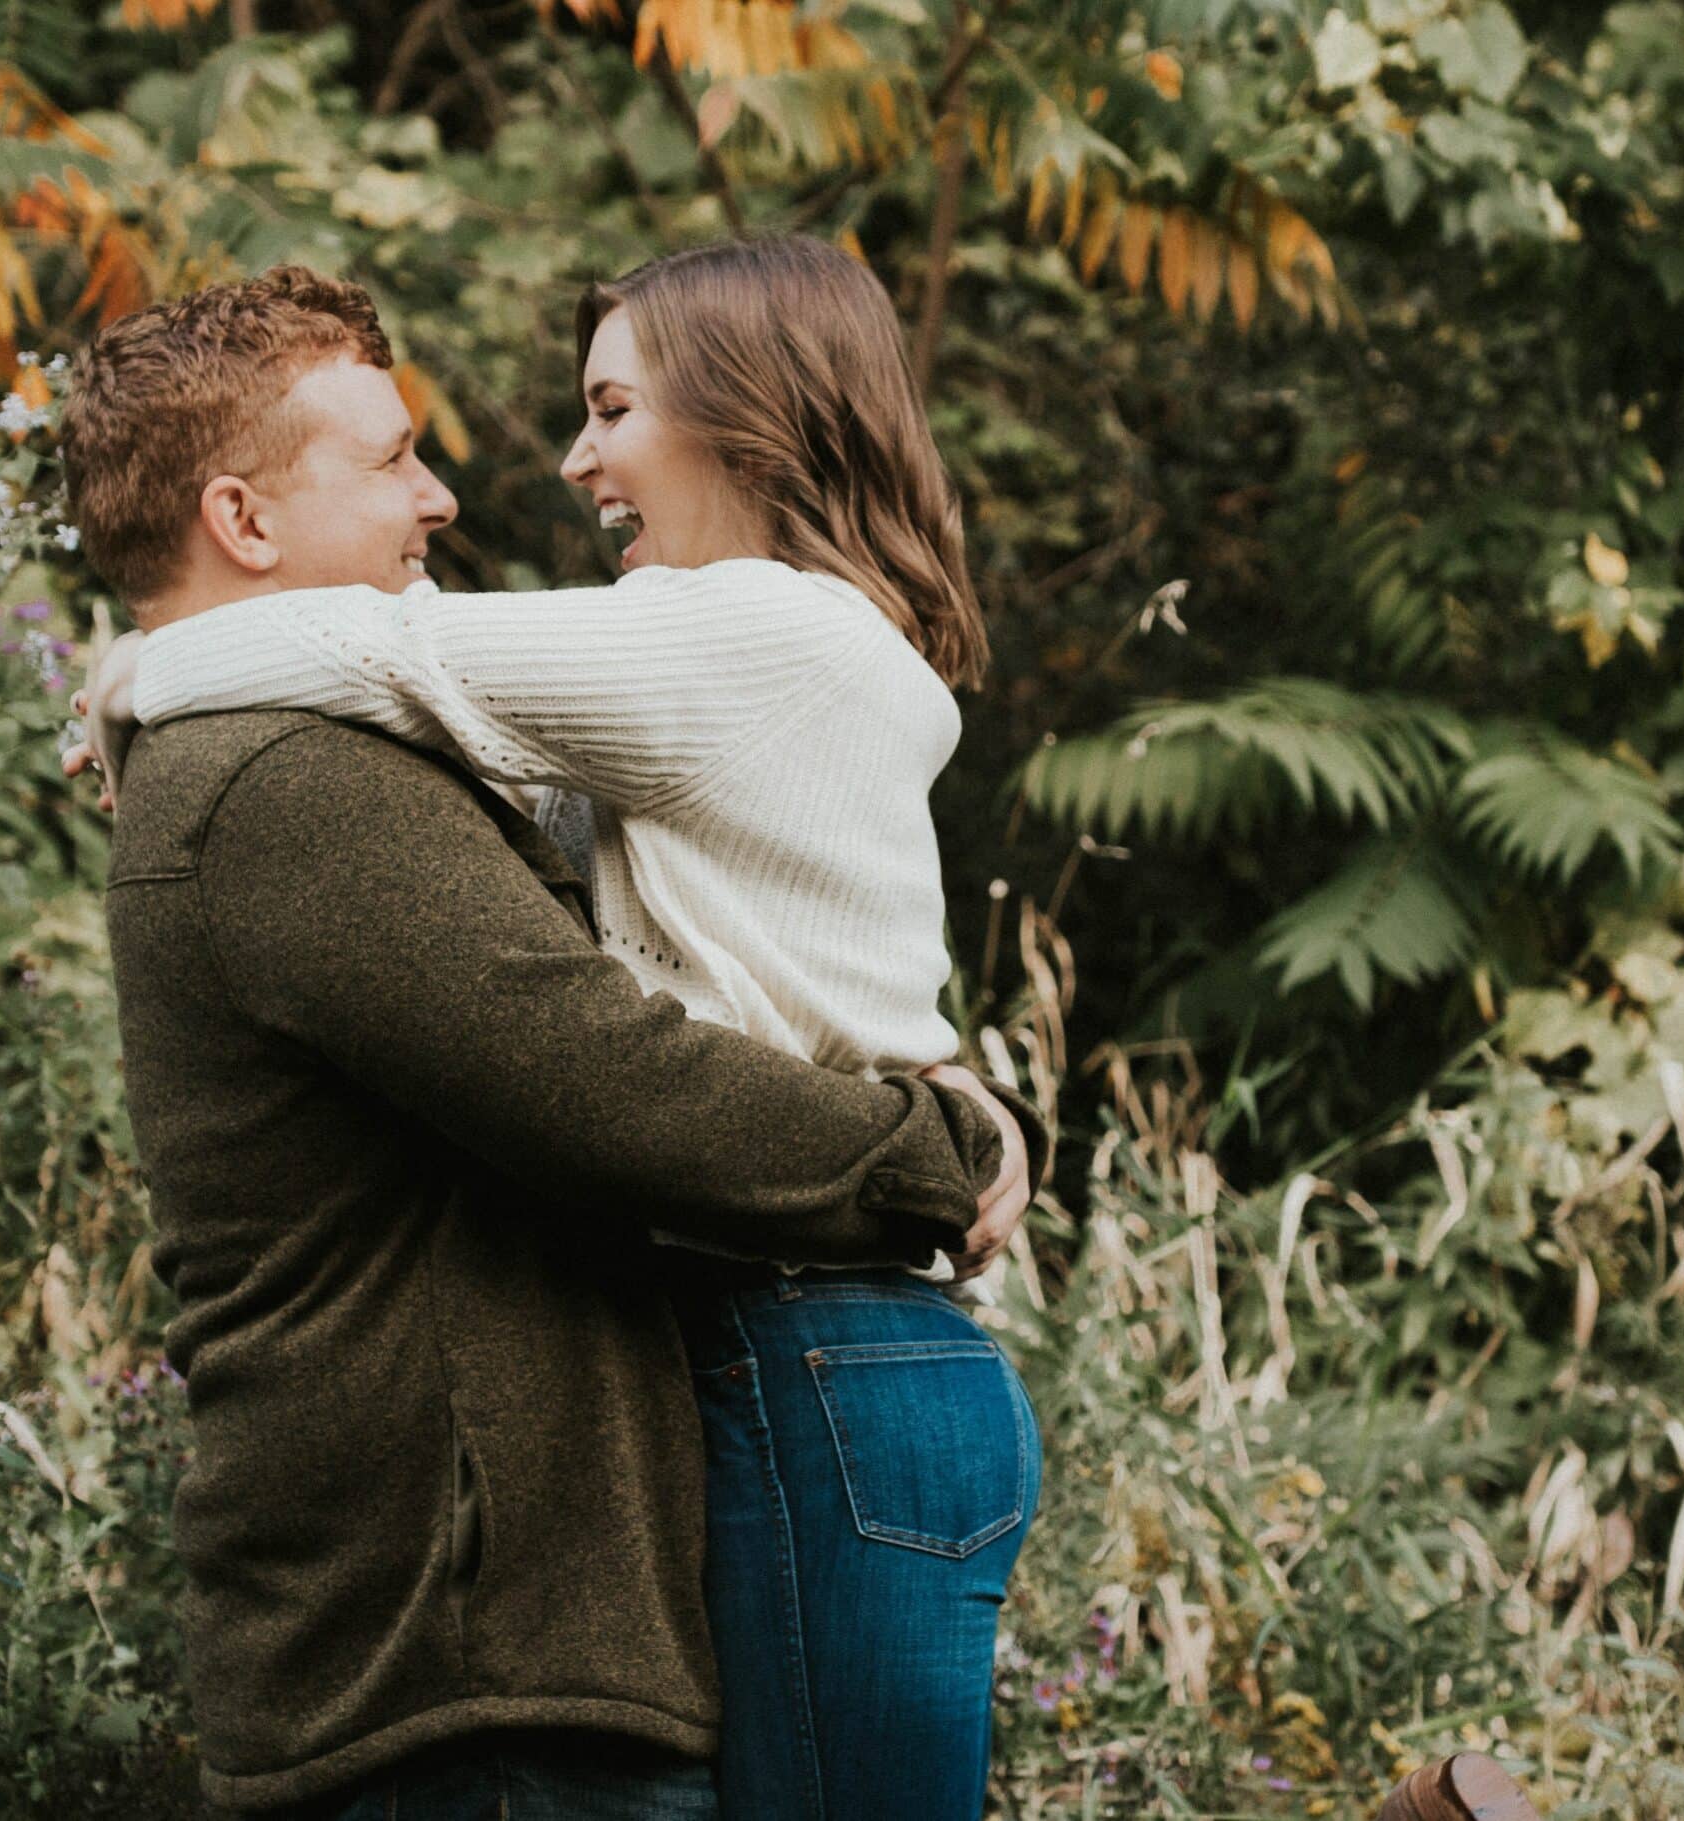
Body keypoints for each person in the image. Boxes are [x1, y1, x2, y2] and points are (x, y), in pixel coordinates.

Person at [76, 237, 1044, 1821]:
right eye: (396, 459)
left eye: (611, 406)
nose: (454, 493)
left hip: (717, 1445)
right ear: (241, 518)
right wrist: (944, 1141)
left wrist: (132, 674)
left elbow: (679, 1012)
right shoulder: (286, 779)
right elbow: (612, 1075)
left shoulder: (734, 642)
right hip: (470, 1665)